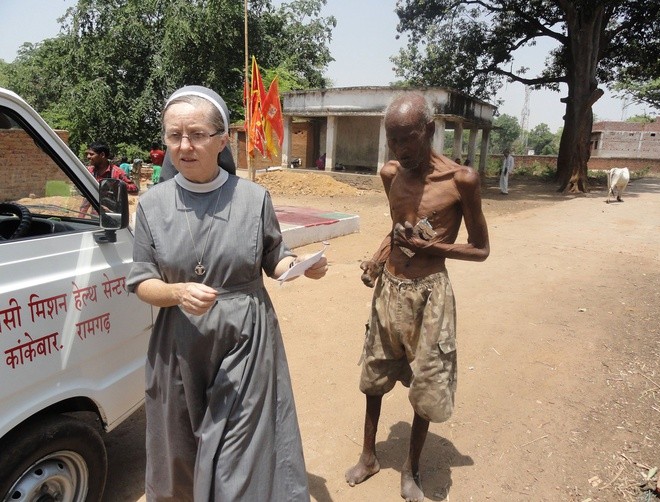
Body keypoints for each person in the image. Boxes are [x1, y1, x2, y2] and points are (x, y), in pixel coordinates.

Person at [126, 85, 328, 501]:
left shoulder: (253, 198)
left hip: (246, 341)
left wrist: (298, 267)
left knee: (240, 457)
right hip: (180, 344)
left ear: (222, 140)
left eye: (197, 134)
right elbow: (142, 280)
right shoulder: (152, 204)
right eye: (174, 135)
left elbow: (275, 256)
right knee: (179, 450)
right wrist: (176, 291)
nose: (184, 146)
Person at [345, 92, 490, 502]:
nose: (399, 150)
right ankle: (369, 455)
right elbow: (397, 231)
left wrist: (434, 249)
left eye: (407, 139)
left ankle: (412, 470)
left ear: (428, 131)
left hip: (430, 295)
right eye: (393, 140)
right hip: (389, 290)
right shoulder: (391, 173)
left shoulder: (461, 180)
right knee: (373, 376)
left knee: (426, 386)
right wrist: (377, 260)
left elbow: (480, 249)